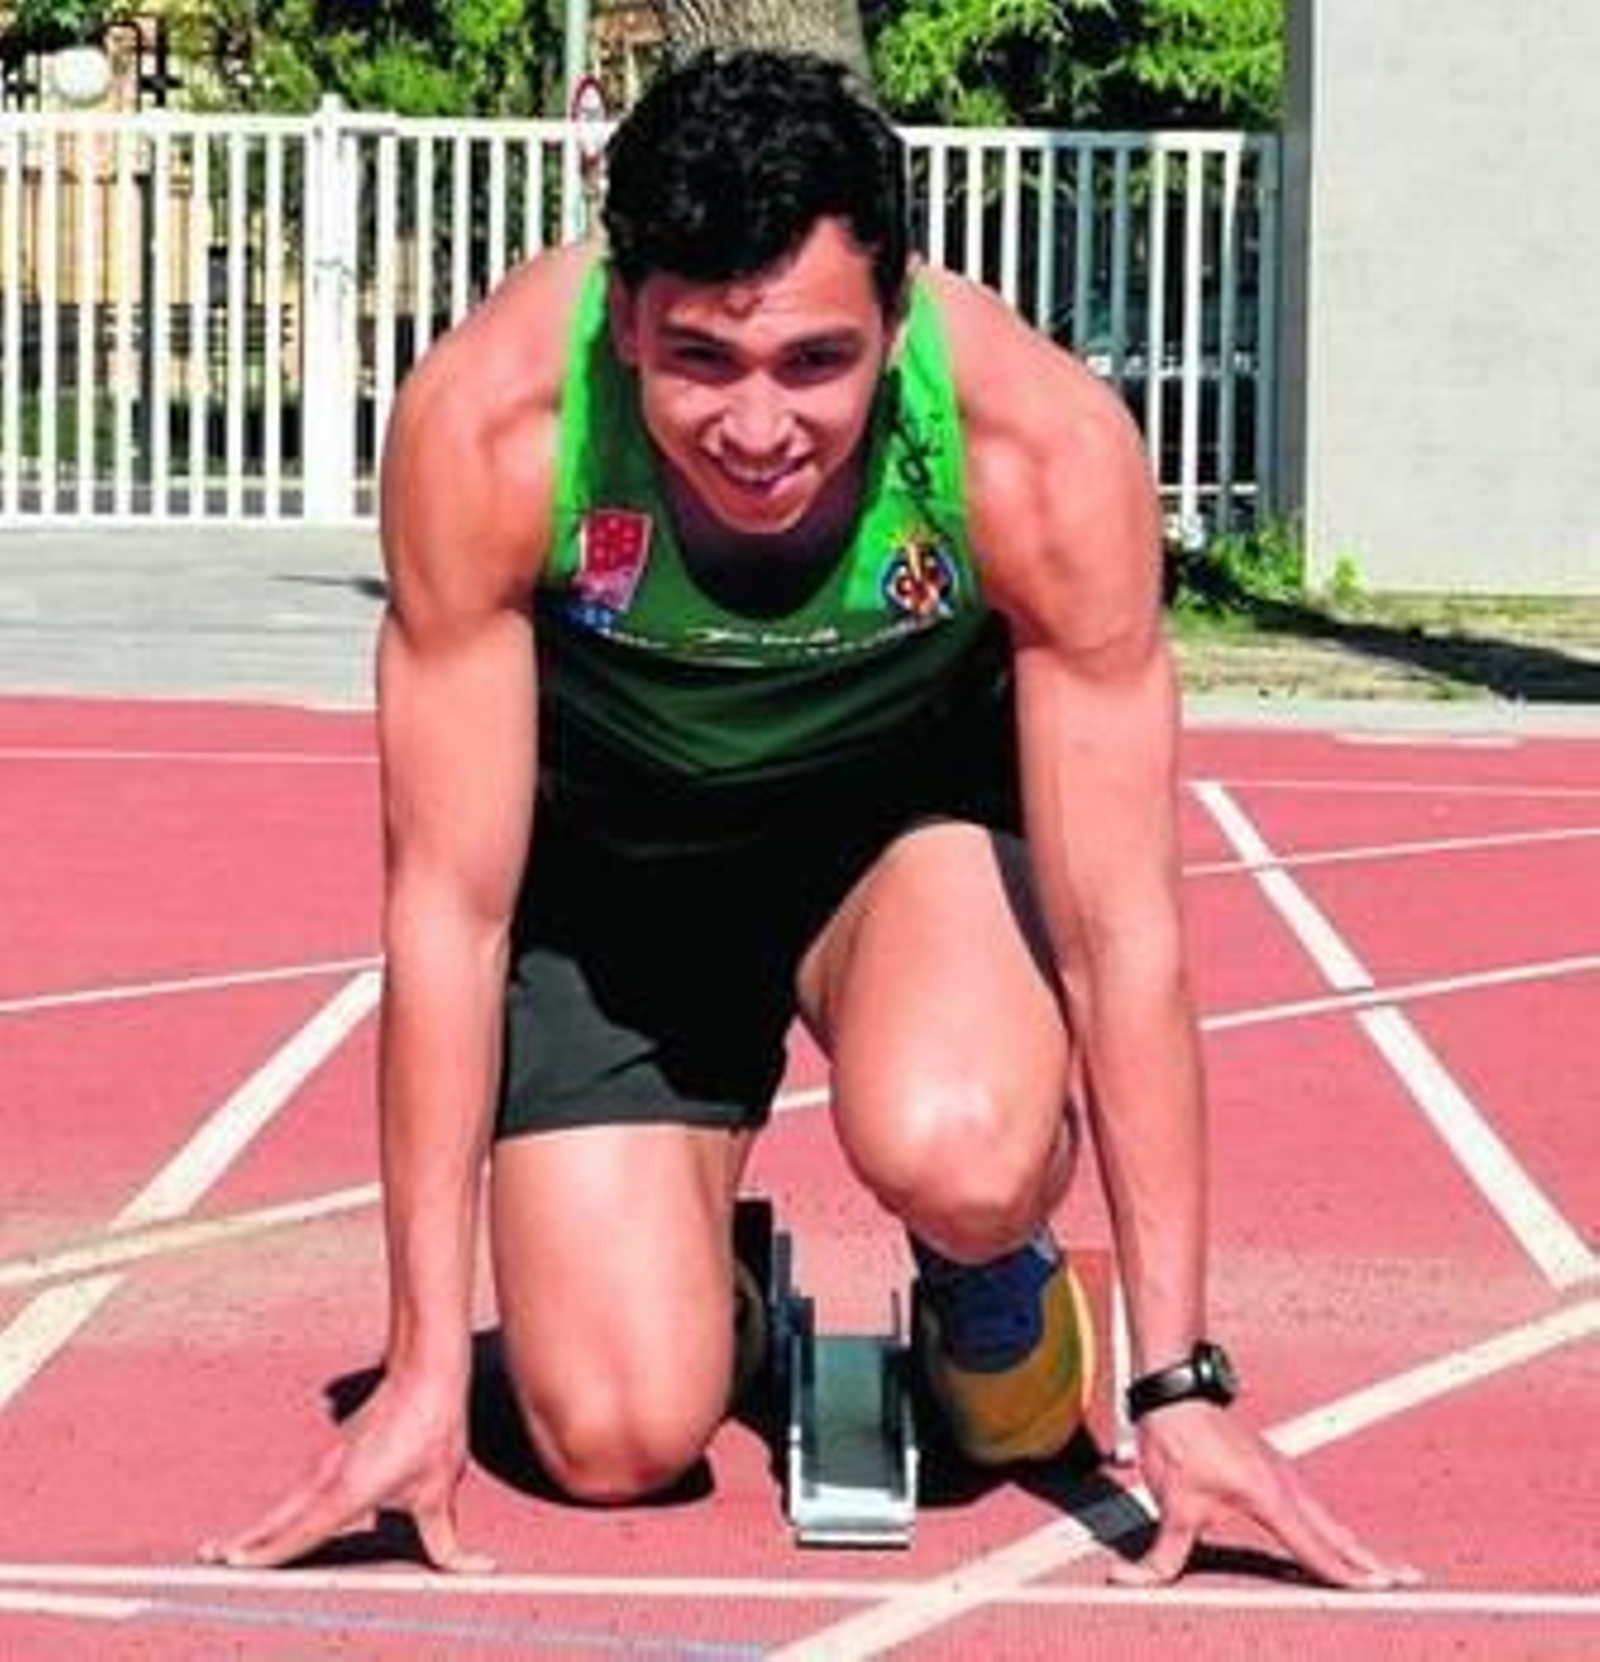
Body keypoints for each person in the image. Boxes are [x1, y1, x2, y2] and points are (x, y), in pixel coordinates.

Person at [204, 48, 1416, 1589]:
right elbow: (450, 909)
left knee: (962, 1142)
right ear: (627, 310)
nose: (759, 426)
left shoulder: (1037, 452)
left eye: (818, 364)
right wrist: (425, 1366)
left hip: (903, 850)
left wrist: (1178, 1383)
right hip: (622, 877)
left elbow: (1123, 932)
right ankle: (714, 1285)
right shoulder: (493, 431)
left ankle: (988, 1270)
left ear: (898, 317)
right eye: (702, 360)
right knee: (609, 1434)